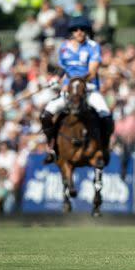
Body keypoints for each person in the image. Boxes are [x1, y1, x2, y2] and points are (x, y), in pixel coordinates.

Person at [40, 16, 114, 163]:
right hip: (68, 91)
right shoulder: (64, 47)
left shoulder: (92, 46)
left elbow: (92, 71)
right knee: (46, 115)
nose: (79, 32)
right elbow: (62, 68)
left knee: (106, 115)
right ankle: (52, 146)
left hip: (89, 89)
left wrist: (77, 82)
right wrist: (56, 79)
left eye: (82, 29)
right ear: (71, 32)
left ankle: (103, 148)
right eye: (75, 29)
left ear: (86, 31)